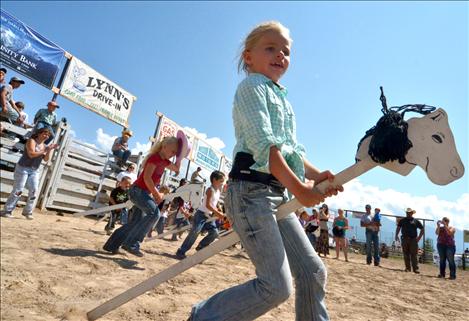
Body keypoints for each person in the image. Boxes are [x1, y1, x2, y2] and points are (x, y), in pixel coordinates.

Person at [184, 21, 342, 321]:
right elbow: (266, 147)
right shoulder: (251, 87)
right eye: (270, 48)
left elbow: (289, 152)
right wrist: (302, 191)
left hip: (275, 195)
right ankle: (203, 316)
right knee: (276, 287)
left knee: (312, 271)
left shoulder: (283, 98)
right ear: (248, 57)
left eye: (285, 51)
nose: (280, 55)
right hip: (250, 194)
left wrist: (316, 175)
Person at [103, 135, 181, 257]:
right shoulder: (154, 158)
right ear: (164, 147)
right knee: (154, 213)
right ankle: (132, 243)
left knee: (135, 222)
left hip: (142, 192)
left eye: (175, 153)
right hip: (138, 191)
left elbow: (176, 169)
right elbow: (147, 178)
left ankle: (112, 245)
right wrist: (156, 193)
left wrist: (180, 156)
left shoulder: (165, 161)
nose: (173, 154)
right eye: (172, 151)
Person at [0, 128, 58, 219]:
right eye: (44, 133)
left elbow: (46, 159)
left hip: (34, 170)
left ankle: (28, 212)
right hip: (23, 168)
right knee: (18, 190)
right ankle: (6, 211)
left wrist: (49, 150)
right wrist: (45, 150)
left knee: (34, 191)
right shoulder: (31, 141)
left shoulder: (45, 146)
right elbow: (31, 154)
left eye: (48, 135)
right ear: (39, 134)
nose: (46, 136)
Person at [176, 170, 226, 259]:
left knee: (214, 233)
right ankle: (181, 251)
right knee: (195, 232)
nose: (222, 183)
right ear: (214, 180)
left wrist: (219, 209)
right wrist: (218, 213)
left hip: (209, 216)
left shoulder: (218, 191)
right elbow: (208, 205)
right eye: (221, 181)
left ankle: (201, 246)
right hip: (201, 214)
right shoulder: (210, 190)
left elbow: (215, 203)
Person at [395, 208, 424, 273]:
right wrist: (396, 235)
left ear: (412, 213)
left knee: (414, 254)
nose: (408, 214)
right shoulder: (402, 220)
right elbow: (398, 228)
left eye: (409, 213)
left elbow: (422, 229)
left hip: (413, 239)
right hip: (404, 238)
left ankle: (415, 269)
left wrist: (419, 238)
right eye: (407, 213)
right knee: (406, 254)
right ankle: (407, 268)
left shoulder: (416, 221)